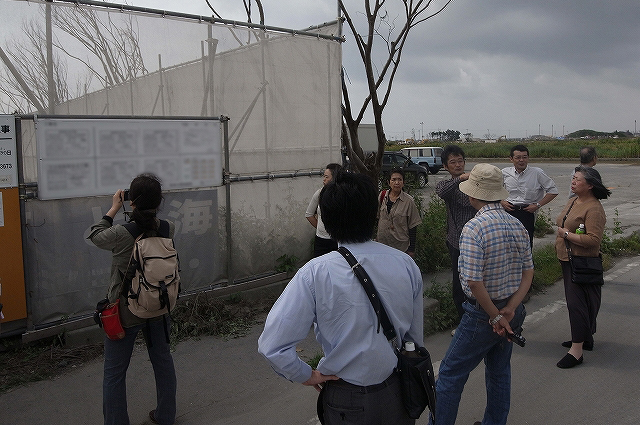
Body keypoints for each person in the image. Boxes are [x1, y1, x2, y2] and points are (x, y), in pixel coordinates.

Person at [258, 171, 424, 424]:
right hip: (398, 392)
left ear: (328, 219)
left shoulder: (314, 273)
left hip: (345, 398)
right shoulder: (406, 264)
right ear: (374, 213)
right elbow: (414, 341)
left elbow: (274, 347)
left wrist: (306, 374)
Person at [434, 164, 534, 425]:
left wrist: (494, 317)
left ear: (472, 195)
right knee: (499, 371)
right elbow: (528, 272)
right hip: (511, 310)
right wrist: (510, 309)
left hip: (482, 315)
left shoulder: (473, 228)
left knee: (450, 374)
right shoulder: (517, 225)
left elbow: (474, 282)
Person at [88, 173, 177, 425]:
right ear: (159, 201)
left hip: (125, 311)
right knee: (163, 361)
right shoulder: (169, 228)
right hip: (159, 305)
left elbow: (96, 236)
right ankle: (165, 416)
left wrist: (114, 207)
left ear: (132, 201)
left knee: (115, 373)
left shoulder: (121, 233)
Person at [555, 166, 610, 369]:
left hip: (582, 261)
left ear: (590, 185)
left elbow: (593, 240)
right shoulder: (574, 201)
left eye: (577, 179)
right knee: (583, 302)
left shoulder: (594, 208)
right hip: (568, 259)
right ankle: (585, 338)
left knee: (577, 304)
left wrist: (566, 235)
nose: (573, 181)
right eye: (573, 178)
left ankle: (576, 351)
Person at [435, 145, 477, 322]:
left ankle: (479, 318)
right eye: (453, 162)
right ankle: (463, 321)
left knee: (477, 282)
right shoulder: (448, 185)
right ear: (445, 166)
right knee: (459, 285)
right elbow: (441, 192)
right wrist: (460, 179)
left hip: (477, 242)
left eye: (460, 161)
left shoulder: (476, 183)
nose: (458, 164)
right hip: (456, 242)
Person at [501, 144, 558, 248]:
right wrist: (501, 201)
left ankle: (527, 264)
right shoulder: (504, 172)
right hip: (508, 210)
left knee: (526, 242)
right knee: (507, 242)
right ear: (511, 159)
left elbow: (553, 191)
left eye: (524, 157)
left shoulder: (537, 173)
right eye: (518, 157)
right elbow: (494, 189)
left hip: (527, 211)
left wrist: (537, 205)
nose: (521, 160)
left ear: (528, 158)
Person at [376, 168, 422, 257]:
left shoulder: (409, 201)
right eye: (393, 180)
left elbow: (413, 226)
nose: (397, 183)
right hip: (382, 245)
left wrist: (411, 249)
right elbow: (377, 218)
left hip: (400, 247)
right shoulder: (382, 196)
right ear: (388, 182)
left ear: (403, 182)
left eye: (399, 180)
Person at [306, 163, 342, 257]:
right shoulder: (319, 194)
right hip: (322, 240)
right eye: (324, 176)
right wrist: (321, 228)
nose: (324, 179)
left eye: (327, 177)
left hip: (340, 240)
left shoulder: (344, 195)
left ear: (335, 178)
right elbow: (309, 214)